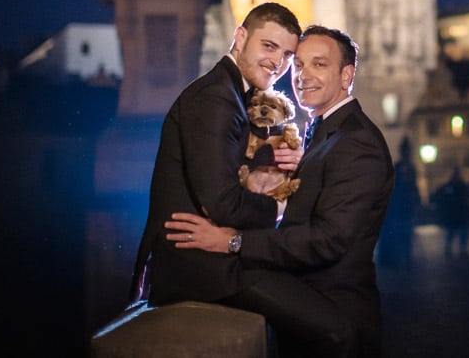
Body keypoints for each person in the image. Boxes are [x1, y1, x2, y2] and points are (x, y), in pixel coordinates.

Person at [165, 25, 395, 358]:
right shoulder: (325, 134)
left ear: (346, 76)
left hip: (334, 316)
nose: (303, 76)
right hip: (309, 310)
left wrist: (232, 241)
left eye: (319, 64)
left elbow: (327, 240)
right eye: (298, 65)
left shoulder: (357, 143)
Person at [130, 1, 303, 306]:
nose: (278, 61)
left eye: (287, 54)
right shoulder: (216, 98)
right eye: (268, 46)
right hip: (199, 268)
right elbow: (224, 205)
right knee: (332, 328)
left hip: (211, 260)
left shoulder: (235, 94)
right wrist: (282, 208)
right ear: (240, 37)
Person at [377, 136, 421, 269]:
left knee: (404, 233)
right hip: (400, 206)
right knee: (402, 232)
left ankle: (404, 256)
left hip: (403, 206)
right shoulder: (403, 168)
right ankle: (403, 256)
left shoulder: (405, 168)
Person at [432, 166, 469, 258]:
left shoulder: (456, 185)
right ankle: (452, 249)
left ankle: (458, 249)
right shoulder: (455, 185)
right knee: (454, 232)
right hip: (455, 212)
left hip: (458, 211)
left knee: (457, 232)